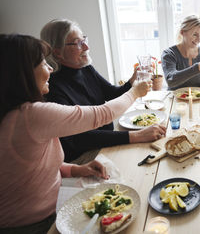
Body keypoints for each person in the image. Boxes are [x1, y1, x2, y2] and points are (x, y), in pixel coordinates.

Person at [0, 34, 150, 233]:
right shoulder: (32, 114)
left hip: (50, 206)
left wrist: (75, 169)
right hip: (35, 225)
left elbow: (31, 168)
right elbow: (101, 114)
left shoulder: (13, 113)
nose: (51, 69)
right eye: (44, 63)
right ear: (23, 73)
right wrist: (134, 92)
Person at [41, 19, 166, 163]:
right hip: (84, 156)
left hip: (106, 141)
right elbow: (78, 139)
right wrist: (135, 136)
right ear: (57, 52)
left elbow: (111, 94)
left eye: (84, 40)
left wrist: (132, 81)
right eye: (78, 43)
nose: (87, 46)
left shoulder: (85, 68)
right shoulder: (52, 88)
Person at [161, 15, 200, 90]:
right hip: (174, 100)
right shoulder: (169, 54)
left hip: (197, 99)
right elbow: (171, 80)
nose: (199, 39)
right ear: (182, 32)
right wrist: (197, 68)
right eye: (195, 34)